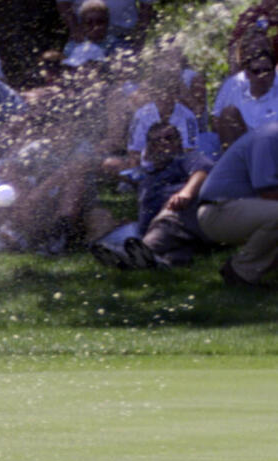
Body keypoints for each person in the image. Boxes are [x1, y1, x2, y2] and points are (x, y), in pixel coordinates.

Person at [91, 122, 213, 270]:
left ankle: (139, 252)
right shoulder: (148, 176)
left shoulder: (186, 158)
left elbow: (202, 172)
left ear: (179, 142)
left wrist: (186, 193)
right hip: (168, 231)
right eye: (156, 140)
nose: (163, 144)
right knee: (174, 251)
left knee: (171, 215)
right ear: (149, 146)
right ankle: (158, 263)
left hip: (180, 215)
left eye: (169, 138)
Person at [196, 123, 278, 287]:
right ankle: (240, 272)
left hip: (240, 208)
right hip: (218, 211)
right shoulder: (269, 137)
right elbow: (268, 192)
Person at [214, 47, 278, 150]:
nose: (262, 75)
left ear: (274, 74)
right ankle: (233, 164)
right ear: (247, 74)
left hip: (272, 152)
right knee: (228, 113)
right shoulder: (234, 91)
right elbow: (216, 121)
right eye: (256, 71)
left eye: (267, 71)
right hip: (241, 151)